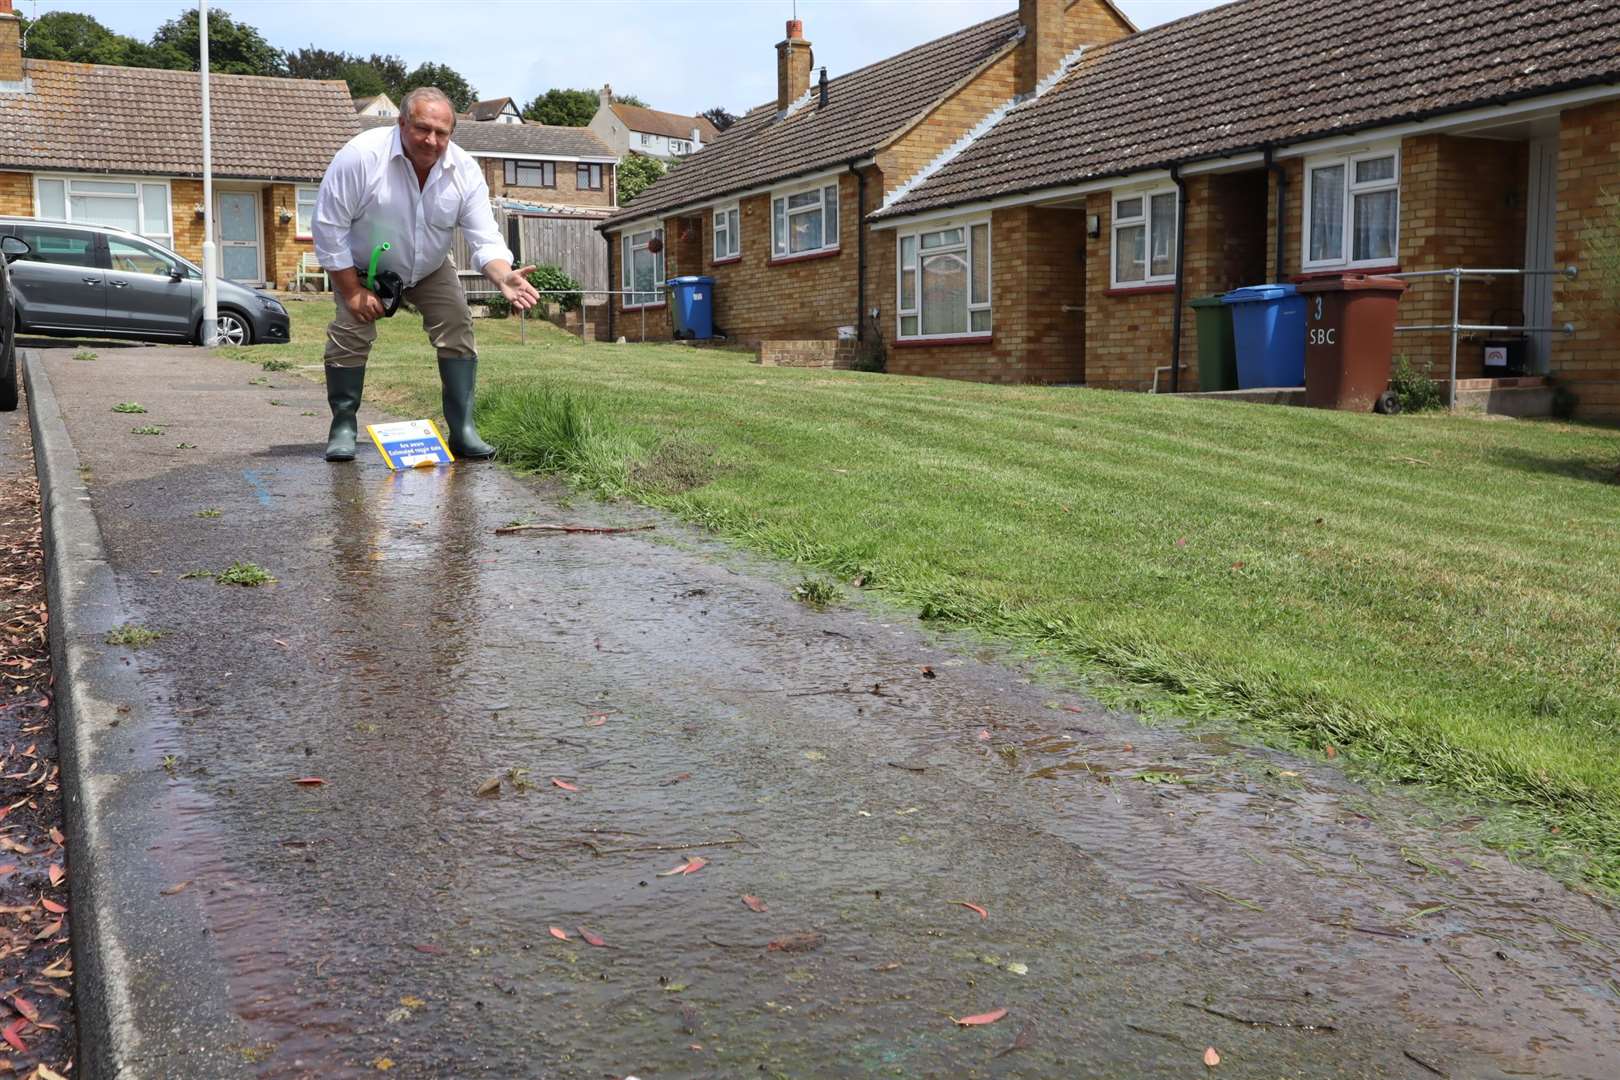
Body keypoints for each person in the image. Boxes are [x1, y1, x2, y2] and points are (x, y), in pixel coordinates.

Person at [311, 86, 540, 462]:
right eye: (421, 128)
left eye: (441, 132)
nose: (431, 140)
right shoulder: (360, 157)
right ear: (402, 123)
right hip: (365, 268)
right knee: (350, 335)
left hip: (430, 266)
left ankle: (463, 429)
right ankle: (343, 425)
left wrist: (503, 276)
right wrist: (352, 290)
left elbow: (484, 237)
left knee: (458, 328)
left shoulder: (464, 170)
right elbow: (328, 227)